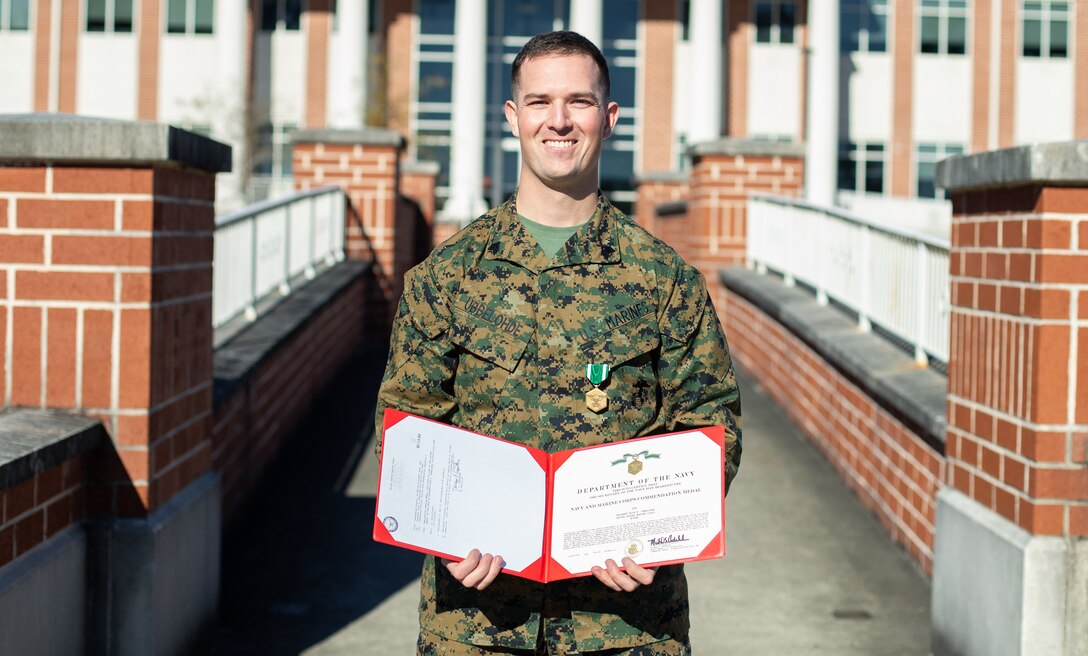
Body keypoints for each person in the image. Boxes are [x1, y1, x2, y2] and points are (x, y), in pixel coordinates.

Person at [375, 30, 742, 656]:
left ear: (609, 117)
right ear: (514, 118)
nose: (560, 121)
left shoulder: (664, 279)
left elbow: (712, 423)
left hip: (627, 622)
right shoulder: (446, 277)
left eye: (579, 101)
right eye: (540, 102)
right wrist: (444, 535)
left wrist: (655, 539)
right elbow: (405, 424)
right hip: (477, 621)